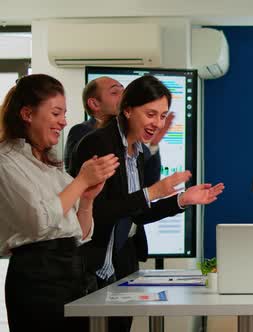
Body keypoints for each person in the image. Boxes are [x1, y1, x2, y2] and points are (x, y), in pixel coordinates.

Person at [70, 75, 224, 332]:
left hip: (122, 264)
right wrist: (151, 192)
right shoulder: (98, 144)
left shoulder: (137, 151)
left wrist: (182, 200)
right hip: (92, 266)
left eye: (163, 116)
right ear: (127, 110)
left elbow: (136, 214)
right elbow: (94, 211)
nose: (157, 123)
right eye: (151, 114)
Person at [0, 74, 119, 331]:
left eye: (64, 114)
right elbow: (39, 223)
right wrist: (80, 182)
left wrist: (86, 200)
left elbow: (82, 233)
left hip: (73, 272)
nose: (63, 122)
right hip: (36, 279)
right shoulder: (6, 161)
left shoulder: (50, 166)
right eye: (56, 113)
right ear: (27, 114)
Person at [64, 76, 172, 185]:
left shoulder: (136, 143)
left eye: (124, 91)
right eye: (115, 92)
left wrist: (154, 144)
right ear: (94, 104)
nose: (123, 96)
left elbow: (148, 187)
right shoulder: (88, 136)